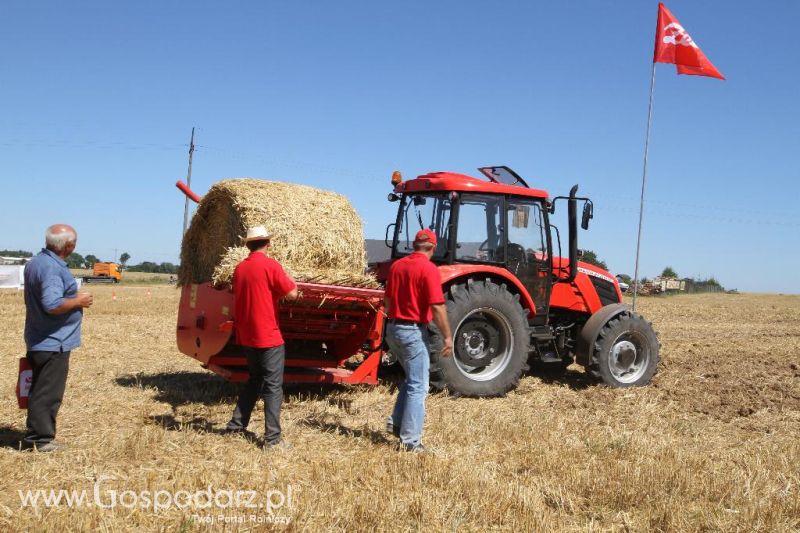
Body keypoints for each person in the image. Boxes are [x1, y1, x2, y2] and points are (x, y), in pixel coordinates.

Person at [225, 225, 298, 448]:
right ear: (268, 243)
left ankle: (236, 425)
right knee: (273, 387)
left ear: (248, 244)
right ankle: (272, 439)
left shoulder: (239, 269)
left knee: (254, 380)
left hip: (247, 336)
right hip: (268, 336)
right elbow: (292, 294)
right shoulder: (270, 265)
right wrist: (293, 281)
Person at [22, 224, 93, 452]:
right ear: (69, 245)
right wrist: (78, 301)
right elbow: (52, 304)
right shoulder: (52, 269)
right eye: (75, 242)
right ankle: (40, 440)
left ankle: (37, 434)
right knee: (48, 391)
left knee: (41, 388)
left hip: (39, 336)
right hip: (53, 341)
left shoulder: (36, 262)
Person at [384, 228, 453, 452]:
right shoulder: (429, 269)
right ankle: (411, 442)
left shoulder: (396, 266)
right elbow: (437, 306)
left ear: (414, 245)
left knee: (411, 379)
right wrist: (447, 336)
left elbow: (386, 300)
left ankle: (396, 423)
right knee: (419, 386)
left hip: (393, 328)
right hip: (412, 331)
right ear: (433, 247)